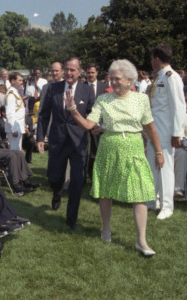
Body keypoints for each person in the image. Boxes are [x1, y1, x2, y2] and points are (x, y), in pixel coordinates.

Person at [64, 59, 164, 256]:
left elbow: (150, 128)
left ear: (130, 80)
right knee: (106, 192)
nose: (113, 82)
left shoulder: (141, 99)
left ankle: (141, 241)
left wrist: (159, 152)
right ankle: (106, 229)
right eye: (111, 78)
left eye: (117, 79)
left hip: (134, 149)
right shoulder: (103, 99)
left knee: (140, 193)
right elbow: (87, 125)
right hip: (108, 148)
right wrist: (73, 109)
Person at [37, 57, 95, 229]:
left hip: (79, 142)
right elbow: (43, 114)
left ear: (79, 72)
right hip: (58, 140)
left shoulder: (87, 90)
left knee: (77, 181)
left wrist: (95, 126)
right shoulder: (53, 88)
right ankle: (56, 191)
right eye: (67, 69)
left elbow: (92, 114)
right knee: (54, 177)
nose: (69, 73)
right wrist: (40, 137)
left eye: (73, 70)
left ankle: (72, 219)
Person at [147, 44, 186, 220]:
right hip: (153, 131)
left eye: (151, 58)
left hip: (165, 132)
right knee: (152, 166)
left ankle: (167, 206)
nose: (150, 61)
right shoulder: (158, 78)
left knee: (165, 168)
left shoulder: (172, 78)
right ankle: (152, 200)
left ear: (157, 58)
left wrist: (177, 134)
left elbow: (179, 107)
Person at [4, 72, 25, 151]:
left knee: (17, 151)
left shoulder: (15, 93)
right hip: (15, 128)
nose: (22, 82)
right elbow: (10, 113)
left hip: (18, 126)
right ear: (13, 81)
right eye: (19, 80)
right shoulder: (11, 94)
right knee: (14, 152)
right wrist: (14, 129)